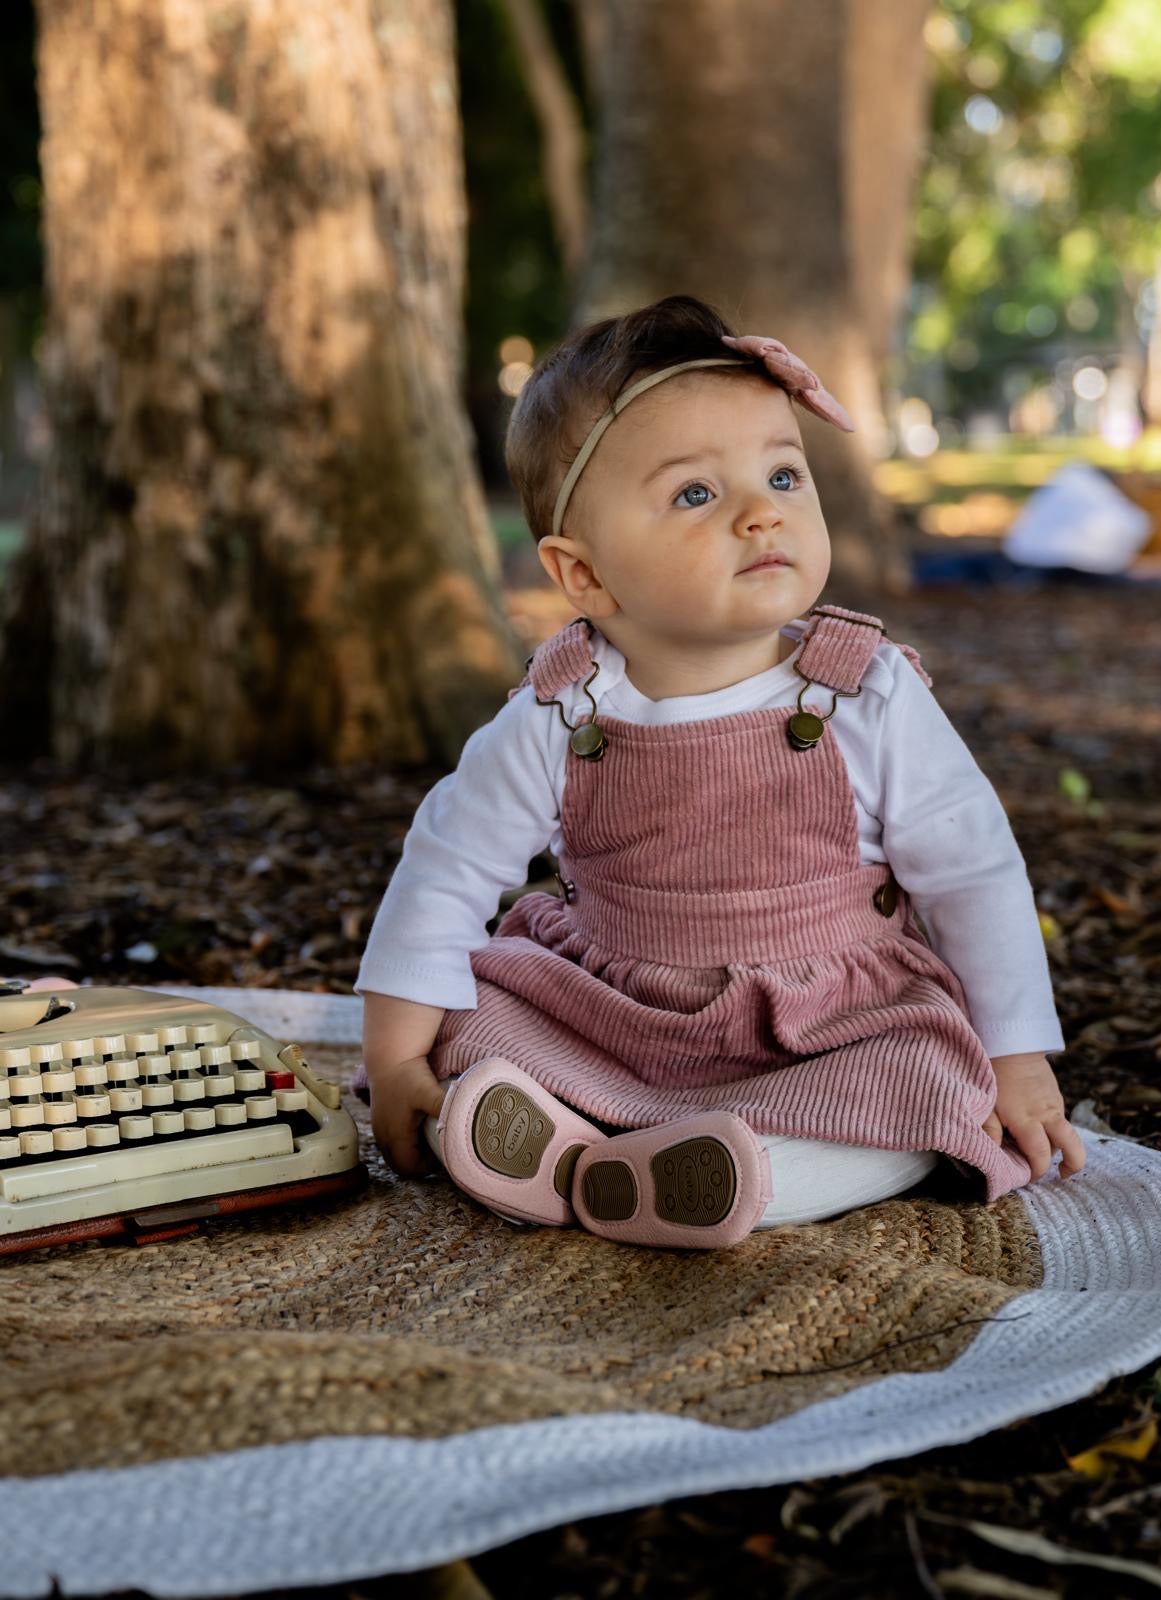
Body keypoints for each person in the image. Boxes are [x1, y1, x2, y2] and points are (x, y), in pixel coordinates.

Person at [354, 294, 1086, 1250]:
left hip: (830, 1023)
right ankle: (549, 1147)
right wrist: (399, 1053)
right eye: (696, 494)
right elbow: (447, 867)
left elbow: (973, 872)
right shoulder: (563, 710)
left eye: (784, 474)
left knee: (926, 1087)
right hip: (614, 1012)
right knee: (477, 1021)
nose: (760, 514)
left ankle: (732, 1178)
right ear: (584, 576)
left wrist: (1017, 1057)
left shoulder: (861, 692)